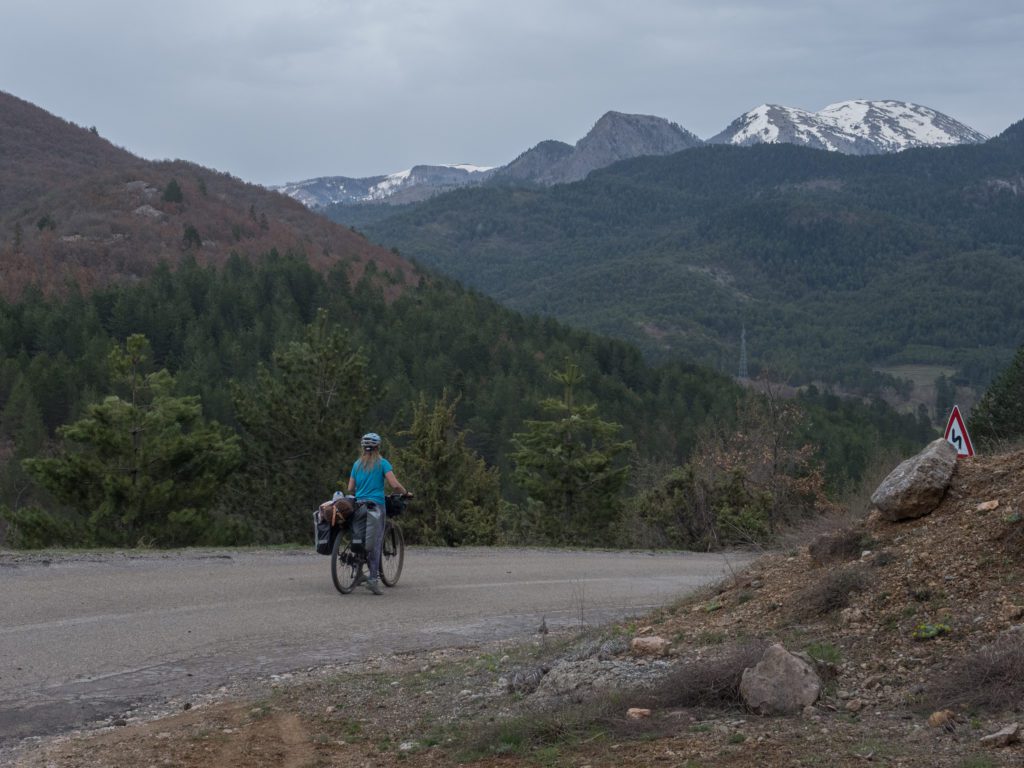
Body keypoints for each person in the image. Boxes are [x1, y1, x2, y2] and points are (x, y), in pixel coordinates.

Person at [347, 432, 407, 595]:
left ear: (363, 448)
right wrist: (405, 491)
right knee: (376, 542)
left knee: (359, 538)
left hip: (359, 506)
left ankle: (358, 573)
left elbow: (350, 488)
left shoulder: (357, 464)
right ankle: (373, 580)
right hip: (376, 507)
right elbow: (394, 484)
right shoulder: (382, 463)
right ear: (378, 447)